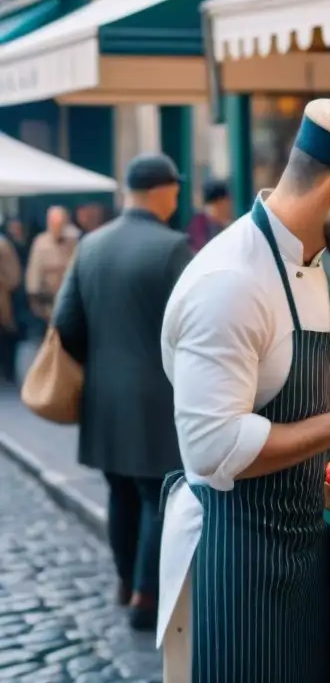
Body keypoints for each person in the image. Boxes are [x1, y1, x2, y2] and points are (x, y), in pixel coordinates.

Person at [158, 99, 330, 681]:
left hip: (298, 544)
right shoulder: (230, 283)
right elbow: (213, 448)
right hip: (236, 552)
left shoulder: (309, 261)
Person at [51, 154, 193, 631]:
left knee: (121, 493)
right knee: (157, 497)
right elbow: (196, 326)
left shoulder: (90, 245)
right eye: (175, 189)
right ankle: (145, 596)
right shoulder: (173, 247)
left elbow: (66, 323)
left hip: (103, 396)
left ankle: (122, 580)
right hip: (155, 398)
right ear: (163, 190)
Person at [25, 206, 77, 324]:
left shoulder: (74, 242)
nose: (58, 227)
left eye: (61, 223)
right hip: (48, 300)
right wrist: (34, 300)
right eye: (55, 223)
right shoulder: (40, 242)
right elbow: (34, 272)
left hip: (69, 299)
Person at [186, 179, 233, 252]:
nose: (229, 208)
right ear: (220, 202)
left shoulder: (198, 223)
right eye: (226, 203)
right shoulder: (200, 227)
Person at [0, 228, 20, 381]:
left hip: (2, 300)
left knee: (5, 335)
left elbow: (14, 278)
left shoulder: (3, 245)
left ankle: (8, 372)